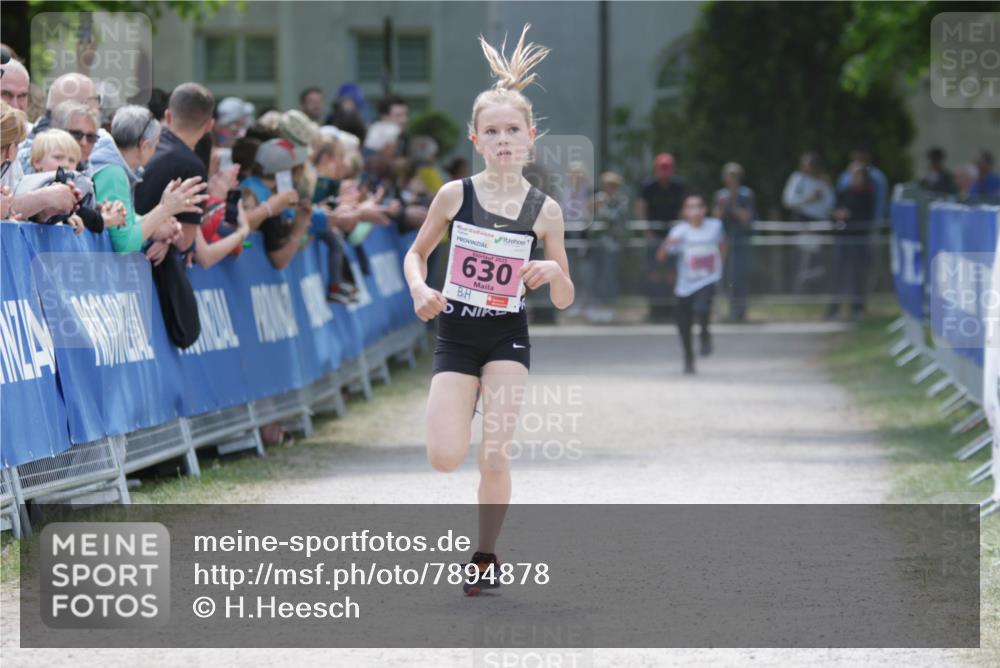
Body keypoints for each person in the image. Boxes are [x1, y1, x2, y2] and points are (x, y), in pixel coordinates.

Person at [402, 24, 572, 596]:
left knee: (494, 454)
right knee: (445, 458)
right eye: (491, 131)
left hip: (506, 338)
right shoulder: (455, 196)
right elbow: (416, 254)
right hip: (455, 335)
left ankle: (485, 555)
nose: (503, 140)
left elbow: (568, 295)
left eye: (512, 130)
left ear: (531, 137)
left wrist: (553, 274)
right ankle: (465, 394)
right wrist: (420, 290)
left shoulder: (544, 211)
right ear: (476, 139)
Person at [89, 105, 207, 255]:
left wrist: (158, 222)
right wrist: (164, 210)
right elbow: (124, 244)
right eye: (155, 146)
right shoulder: (113, 173)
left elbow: (125, 224)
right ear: (144, 146)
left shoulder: (114, 169)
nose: (155, 152)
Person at [656, 193, 726, 374]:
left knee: (702, 309)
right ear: (685, 211)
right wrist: (666, 244)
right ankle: (688, 357)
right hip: (686, 284)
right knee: (683, 323)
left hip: (708, 279)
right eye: (691, 207)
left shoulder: (715, 226)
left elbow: (723, 245)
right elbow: (661, 256)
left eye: (699, 207)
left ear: (705, 209)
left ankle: (705, 335)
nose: (695, 211)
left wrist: (720, 266)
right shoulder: (679, 231)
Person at [1, 101, 79, 221]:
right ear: (10, 150)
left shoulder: (11, 167)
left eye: (72, 160)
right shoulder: (9, 163)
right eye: (58, 157)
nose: (65, 164)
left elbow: (13, 210)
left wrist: (45, 210)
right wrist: (44, 197)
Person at [636, 152, 686, 322]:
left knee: (673, 272)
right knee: (654, 272)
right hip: (653, 236)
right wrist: (646, 231)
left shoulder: (679, 186)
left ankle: (673, 308)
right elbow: (641, 208)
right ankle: (655, 309)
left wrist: (678, 232)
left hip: (673, 236)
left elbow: (683, 209)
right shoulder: (648, 186)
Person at [827, 164, 875, 321]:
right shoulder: (843, 192)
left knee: (857, 275)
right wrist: (838, 214)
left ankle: (858, 308)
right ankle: (834, 309)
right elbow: (833, 211)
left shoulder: (868, 195)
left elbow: (866, 215)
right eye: (852, 175)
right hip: (843, 239)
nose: (854, 179)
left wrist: (850, 215)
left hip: (859, 240)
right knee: (838, 274)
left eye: (857, 175)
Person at [712, 162, 755, 322]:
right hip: (724, 242)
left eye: (734, 176)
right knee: (724, 276)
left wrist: (733, 202)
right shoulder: (720, 195)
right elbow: (715, 218)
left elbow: (746, 217)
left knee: (740, 276)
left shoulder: (746, 194)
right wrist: (723, 205)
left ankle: (740, 312)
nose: (731, 179)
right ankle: (724, 312)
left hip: (741, 241)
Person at [590, 171, 629, 322]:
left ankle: (611, 308)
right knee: (596, 276)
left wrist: (602, 208)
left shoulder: (622, 201)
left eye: (611, 186)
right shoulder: (599, 199)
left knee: (609, 276)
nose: (607, 189)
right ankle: (598, 308)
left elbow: (616, 219)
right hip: (597, 245)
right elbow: (591, 220)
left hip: (613, 245)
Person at [836, 145, 887, 225]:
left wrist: (877, 223)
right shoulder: (844, 176)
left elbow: (879, 202)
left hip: (865, 224)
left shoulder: (877, 177)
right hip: (845, 227)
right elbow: (839, 199)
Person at [781, 151, 835, 221]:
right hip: (801, 220)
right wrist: (808, 199)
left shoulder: (824, 181)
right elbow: (788, 201)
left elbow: (831, 203)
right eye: (804, 165)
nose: (807, 167)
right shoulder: (797, 178)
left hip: (820, 222)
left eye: (812, 164)